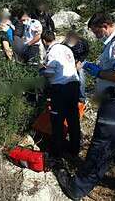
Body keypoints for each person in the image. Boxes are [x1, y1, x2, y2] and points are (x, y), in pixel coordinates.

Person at [56, 13, 115, 201]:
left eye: (96, 31)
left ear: (105, 25)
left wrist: (99, 72)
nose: (95, 35)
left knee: (103, 143)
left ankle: (78, 187)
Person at [39, 30, 81, 158]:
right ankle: (75, 150)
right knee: (73, 119)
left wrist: (41, 70)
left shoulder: (52, 52)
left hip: (61, 88)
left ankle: (56, 152)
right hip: (74, 85)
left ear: (44, 41)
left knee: (57, 120)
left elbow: (50, 73)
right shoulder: (66, 49)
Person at [63, 31, 90, 102]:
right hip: (70, 60)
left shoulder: (83, 42)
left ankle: (82, 97)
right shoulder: (65, 44)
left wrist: (80, 62)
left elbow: (86, 52)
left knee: (81, 76)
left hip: (80, 60)